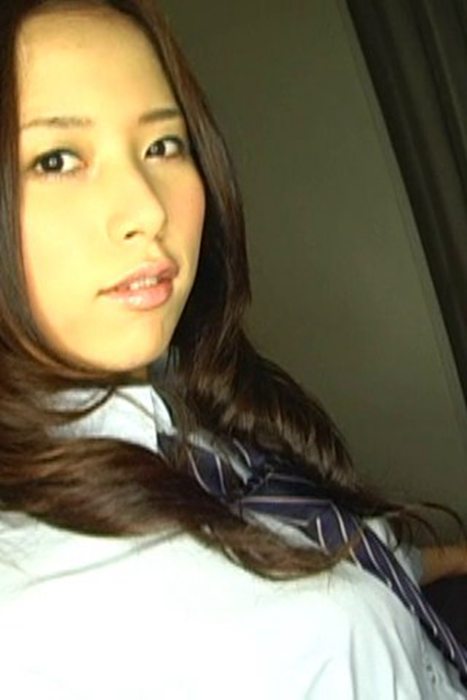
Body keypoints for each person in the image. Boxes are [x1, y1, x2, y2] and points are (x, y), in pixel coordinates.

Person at [0, 0, 466, 697]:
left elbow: (329, 547)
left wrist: (442, 559)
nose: (148, 208)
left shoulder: (187, 414)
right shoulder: (30, 621)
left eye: (163, 145)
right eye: (57, 159)